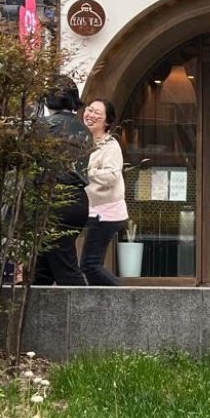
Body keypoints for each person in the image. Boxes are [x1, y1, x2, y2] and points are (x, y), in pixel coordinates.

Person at [32, 78, 90, 286]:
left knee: (66, 268)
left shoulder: (42, 127)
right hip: (78, 200)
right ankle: (38, 315)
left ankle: (86, 314)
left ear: (47, 100)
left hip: (54, 200)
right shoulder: (84, 130)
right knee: (43, 268)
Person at [80, 98, 128, 286]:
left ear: (107, 122)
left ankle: (127, 298)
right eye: (89, 110)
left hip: (107, 212)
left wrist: (85, 171)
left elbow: (111, 176)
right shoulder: (80, 141)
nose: (90, 115)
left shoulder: (110, 146)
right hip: (90, 210)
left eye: (97, 113)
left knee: (90, 264)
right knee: (90, 265)